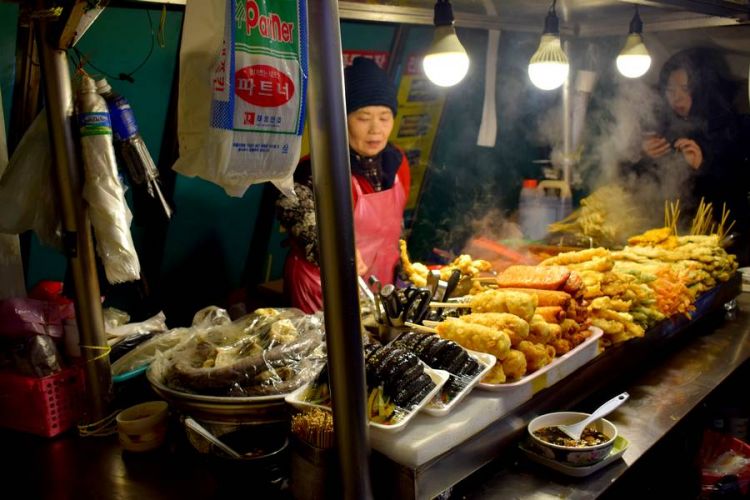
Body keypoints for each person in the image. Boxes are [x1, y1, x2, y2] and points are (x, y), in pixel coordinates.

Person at [276, 57, 410, 313]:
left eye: (384, 117)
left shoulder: (397, 162)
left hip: (378, 284)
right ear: (342, 119)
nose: (376, 129)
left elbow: (396, 227)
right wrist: (337, 250)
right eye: (363, 118)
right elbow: (295, 216)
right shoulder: (317, 168)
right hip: (322, 289)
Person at [640, 48, 750, 264]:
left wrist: (703, 166)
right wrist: (642, 157)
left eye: (686, 89)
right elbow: (644, 188)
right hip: (673, 246)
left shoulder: (736, 129)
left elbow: (739, 190)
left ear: (705, 89)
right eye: (670, 89)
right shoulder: (664, 129)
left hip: (728, 249)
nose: (677, 97)